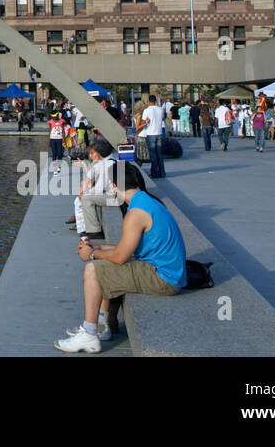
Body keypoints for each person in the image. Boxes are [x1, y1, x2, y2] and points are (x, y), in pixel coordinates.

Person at [55, 161, 187, 353]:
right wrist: (98, 247)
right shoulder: (146, 201)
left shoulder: (136, 213)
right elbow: (128, 249)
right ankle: (101, 324)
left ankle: (89, 335)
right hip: (166, 271)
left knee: (93, 269)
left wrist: (91, 253)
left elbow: (119, 258)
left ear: (114, 186)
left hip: (164, 279)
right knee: (102, 261)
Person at [66, 138, 117, 239]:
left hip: (114, 197)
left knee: (85, 198)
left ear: (98, 154)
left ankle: (94, 230)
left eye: (92, 153)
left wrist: (84, 193)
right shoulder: (114, 159)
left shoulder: (102, 165)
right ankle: (82, 224)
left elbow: (98, 189)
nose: (90, 156)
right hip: (120, 194)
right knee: (86, 195)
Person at [140, 94, 166, 178]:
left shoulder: (147, 110)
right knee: (159, 154)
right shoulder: (160, 109)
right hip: (159, 133)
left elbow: (143, 123)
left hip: (150, 133)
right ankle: (162, 173)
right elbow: (162, 119)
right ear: (155, 101)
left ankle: (154, 173)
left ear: (148, 101)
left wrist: (146, 122)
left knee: (153, 154)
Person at [48, 111, 66, 175]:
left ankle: (59, 165)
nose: (53, 118)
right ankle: (55, 169)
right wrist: (49, 141)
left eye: (54, 116)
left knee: (60, 153)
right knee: (54, 154)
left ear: (57, 115)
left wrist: (64, 140)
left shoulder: (62, 121)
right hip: (53, 139)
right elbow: (50, 131)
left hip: (60, 139)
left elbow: (63, 131)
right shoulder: (50, 122)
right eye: (52, 117)